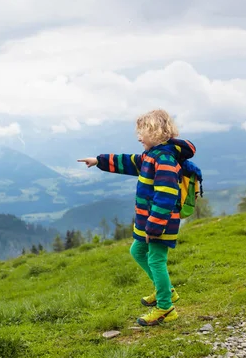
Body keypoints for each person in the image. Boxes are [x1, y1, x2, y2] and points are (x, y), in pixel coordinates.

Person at [77, 109, 196, 326]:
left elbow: (166, 196)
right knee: (137, 250)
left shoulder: (165, 160)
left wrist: (154, 227)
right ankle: (166, 291)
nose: (138, 137)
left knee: (156, 260)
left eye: (142, 132)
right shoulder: (151, 156)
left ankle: (165, 308)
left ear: (157, 132)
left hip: (160, 222)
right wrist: (99, 161)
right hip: (150, 221)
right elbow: (129, 162)